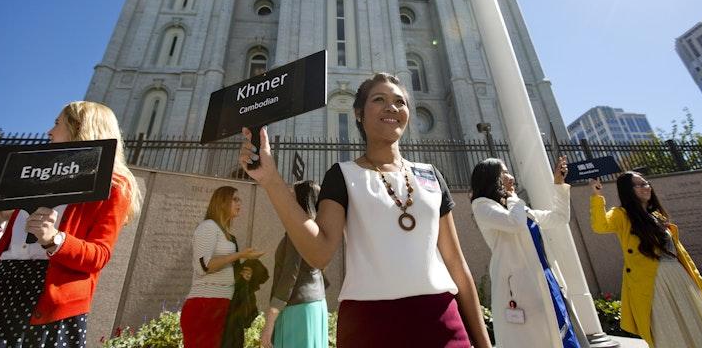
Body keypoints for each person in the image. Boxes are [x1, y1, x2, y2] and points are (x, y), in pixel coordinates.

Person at [240, 73, 492, 348]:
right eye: (379, 99)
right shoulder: (343, 175)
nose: (392, 107)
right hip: (370, 325)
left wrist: (484, 343)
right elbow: (319, 252)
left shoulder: (430, 175)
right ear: (359, 113)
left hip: (441, 321)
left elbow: (456, 263)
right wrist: (271, 180)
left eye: (400, 101)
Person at [0, 101, 142, 348]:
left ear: (80, 128)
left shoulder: (114, 186)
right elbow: (5, 247)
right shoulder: (34, 174)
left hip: (45, 297)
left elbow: (99, 255)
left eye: (57, 124)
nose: (48, 132)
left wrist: (54, 239)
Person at [589, 171, 702, 347]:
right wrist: (597, 196)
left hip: (680, 280)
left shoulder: (658, 216)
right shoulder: (622, 214)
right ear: (628, 190)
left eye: (646, 183)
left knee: (699, 330)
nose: (645, 187)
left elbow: (686, 260)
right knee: (669, 332)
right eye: (639, 185)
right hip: (653, 285)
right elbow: (600, 226)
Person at [470, 156, 584, 348]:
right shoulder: (482, 205)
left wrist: (559, 185)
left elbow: (560, 217)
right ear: (491, 177)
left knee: (561, 333)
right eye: (504, 172)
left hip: (546, 278)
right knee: (535, 337)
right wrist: (513, 197)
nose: (510, 176)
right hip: (519, 285)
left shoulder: (518, 208)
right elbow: (514, 223)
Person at [180, 185, 263, 348]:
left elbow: (223, 268)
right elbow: (204, 267)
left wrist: (241, 274)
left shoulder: (226, 233)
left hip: (222, 306)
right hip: (205, 306)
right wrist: (240, 255)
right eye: (235, 199)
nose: (239, 203)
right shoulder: (208, 226)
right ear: (222, 202)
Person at [260, 180, 328, 348]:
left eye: (291, 195)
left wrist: (270, 321)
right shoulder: (318, 230)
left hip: (297, 308)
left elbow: (290, 274)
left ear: (300, 201)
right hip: (316, 304)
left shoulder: (297, 230)